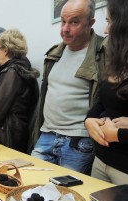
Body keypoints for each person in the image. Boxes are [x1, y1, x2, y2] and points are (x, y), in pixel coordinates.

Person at [31, 0, 105, 174]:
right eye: (63, 21)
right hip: (47, 134)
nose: (65, 29)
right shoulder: (54, 54)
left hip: (78, 140)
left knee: (68, 195)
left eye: (74, 22)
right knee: (31, 183)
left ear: (90, 23)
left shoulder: (103, 53)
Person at [85, 0, 128, 185]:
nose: (106, 30)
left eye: (109, 22)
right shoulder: (119, 62)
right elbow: (102, 102)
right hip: (101, 161)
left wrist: (118, 134)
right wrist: (89, 119)